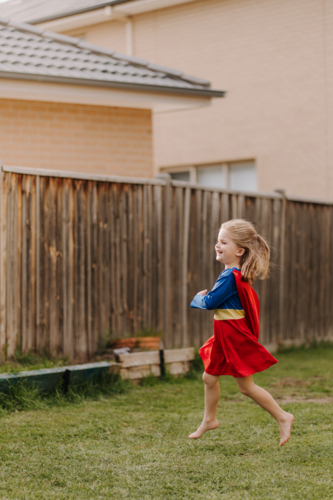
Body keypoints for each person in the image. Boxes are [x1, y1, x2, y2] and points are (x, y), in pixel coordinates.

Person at [189, 219, 293, 446]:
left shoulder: (230, 276)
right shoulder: (233, 274)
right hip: (223, 335)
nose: (218, 245)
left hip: (231, 337)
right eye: (218, 241)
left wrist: (197, 297)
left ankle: (283, 417)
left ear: (239, 251)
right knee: (209, 377)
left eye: (224, 242)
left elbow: (209, 303)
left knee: (246, 387)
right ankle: (209, 419)